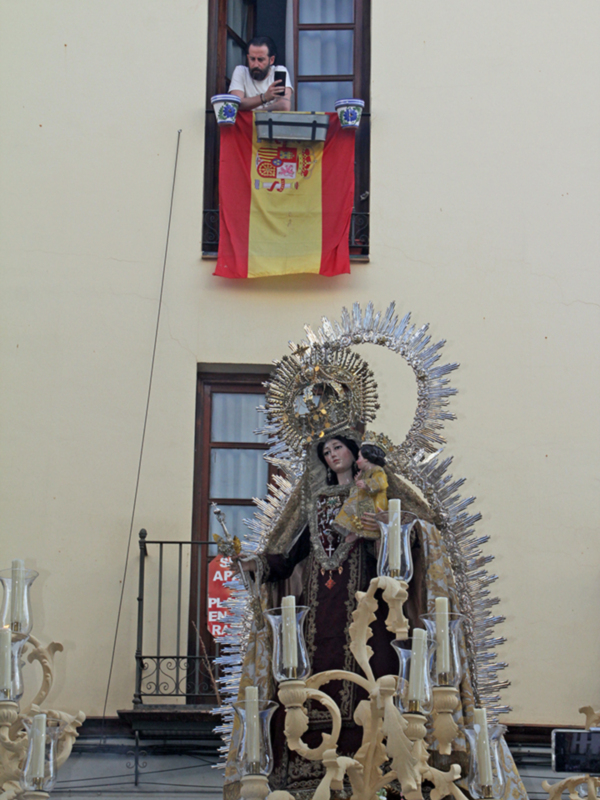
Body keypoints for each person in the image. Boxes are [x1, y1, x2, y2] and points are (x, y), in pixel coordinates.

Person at [333, 442, 388, 541]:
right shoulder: (366, 473)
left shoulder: (378, 470)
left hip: (374, 502)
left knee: (364, 516)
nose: (356, 461)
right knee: (353, 507)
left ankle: (359, 532)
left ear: (366, 459)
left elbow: (381, 482)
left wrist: (366, 484)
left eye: (359, 458)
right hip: (365, 500)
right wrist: (358, 481)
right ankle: (354, 530)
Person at [229, 35, 292, 112]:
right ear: (248, 58)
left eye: (260, 60)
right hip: (246, 124)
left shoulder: (279, 71)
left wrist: (256, 114)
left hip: (270, 123)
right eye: (252, 59)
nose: (256, 64)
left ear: (271, 60)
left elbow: (284, 105)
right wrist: (264, 97)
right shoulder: (241, 71)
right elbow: (235, 104)